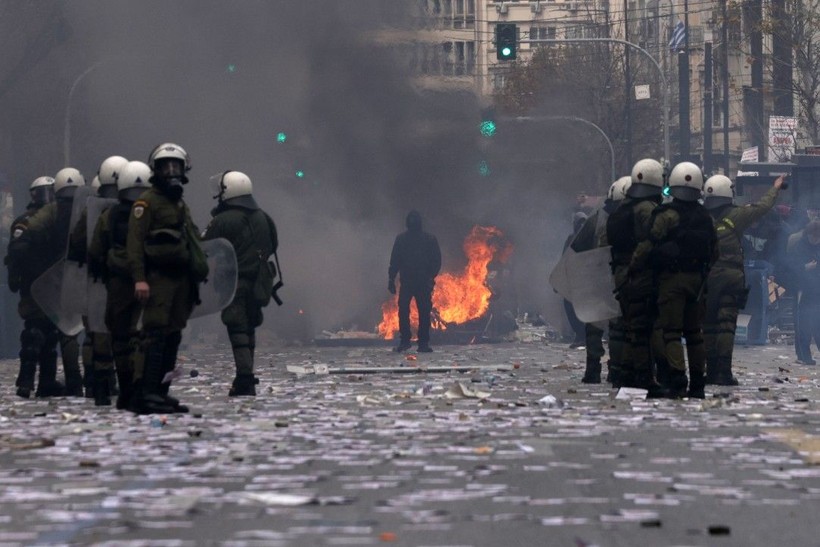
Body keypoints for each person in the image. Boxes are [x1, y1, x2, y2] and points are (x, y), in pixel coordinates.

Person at [126, 143, 207, 414]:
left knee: (173, 337)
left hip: (181, 281)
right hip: (157, 280)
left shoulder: (180, 204)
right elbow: (135, 244)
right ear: (156, 170)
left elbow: (193, 237)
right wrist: (139, 278)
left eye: (176, 166)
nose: (172, 171)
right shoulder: (146, 203)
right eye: (166, 166)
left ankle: (162, 392)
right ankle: (146, 393)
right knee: (155, 337)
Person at [633, 162, 718, 398]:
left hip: (672, 281)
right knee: (694, 333)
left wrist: (634, 267)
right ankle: (698, 384)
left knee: (671, 333)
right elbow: (715, 252)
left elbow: (648, 246)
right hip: (698, 282)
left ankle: (678, 380)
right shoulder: (706, 217)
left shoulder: (666, 215)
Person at [202, 171, 279, 396]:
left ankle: (244, 379)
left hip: (235, 282)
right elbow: (273, 245)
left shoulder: (223, 220)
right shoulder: (264, 217)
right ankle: (246, 375)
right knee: (250, 326)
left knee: (237, 328)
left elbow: (204, 245)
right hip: (260, 283)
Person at [702, 174, 783, 384]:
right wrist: (775, 188)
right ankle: (724, 372)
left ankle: (709, 371)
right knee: (727, 324)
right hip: (731, 277)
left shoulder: (699, 217)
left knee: (709, 325)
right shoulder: (736, 216)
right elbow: (762, 207)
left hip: (707, 278)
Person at [15, 167, 87, 396]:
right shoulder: (46, 216)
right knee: (51, 332)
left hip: (51, 280)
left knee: (46, 332)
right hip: (48, 280)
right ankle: (46, 382)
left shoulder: (50, 215)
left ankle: (42, 382)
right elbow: (21, 247)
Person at [88, 160, 152, 409]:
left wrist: (100, 272)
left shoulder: (109, 215)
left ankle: (121, 386)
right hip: (150, 283)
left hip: (118, 284)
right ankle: (142, 384)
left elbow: (95, 250)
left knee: (118, 335)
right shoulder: (157, 214)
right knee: (144, 335)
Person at [68, 155, 127, 403]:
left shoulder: (93, 210)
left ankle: (98, 385)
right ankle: (127, 386)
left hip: (98, 282)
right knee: (128, 337)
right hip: (128, 283)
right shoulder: (140, 207)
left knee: (96, 336)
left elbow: (77, 244)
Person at [607, 158, 665, 394]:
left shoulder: (623, 207)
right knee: (642, 328)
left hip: (621, 273)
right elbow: (656, 240)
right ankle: (642, 377)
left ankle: (624, 374)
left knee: (629, 326)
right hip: (640, 273)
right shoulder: (647, 210)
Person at [3, 176, 64, 398]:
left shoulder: (58, 219)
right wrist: (15, 277)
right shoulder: (25, 221)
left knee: (50, 334)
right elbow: (16, 253)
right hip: (33, 283)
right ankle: (25, 381)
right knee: (34, 333)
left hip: (53, 283)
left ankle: (46, 382)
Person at [571, 176, 631, 383]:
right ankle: (616, 369)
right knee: (617, 327)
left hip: (597, 279)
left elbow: (578, 247)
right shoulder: (634, 218)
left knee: (594, 325)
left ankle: (592, 370)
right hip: (622, 279)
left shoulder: (597, 219)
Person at [388, 210, 441, 353]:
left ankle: (422, 342)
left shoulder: (429, 239)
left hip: (422, 282)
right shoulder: (402, 240)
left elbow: (436, 261)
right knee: (404, 310)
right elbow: (395, 261)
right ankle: (406, 341)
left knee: (423, 312)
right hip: (408, 281)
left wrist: (430, 277)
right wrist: (391, 279)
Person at [786, 220, 820, 365]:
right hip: (803, 290)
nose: (816, 240)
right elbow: (791, 267)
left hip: (817, 289)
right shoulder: (799, 246)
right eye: (814, 237)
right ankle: (804, 355)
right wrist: (805, 267)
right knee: (803, 324)